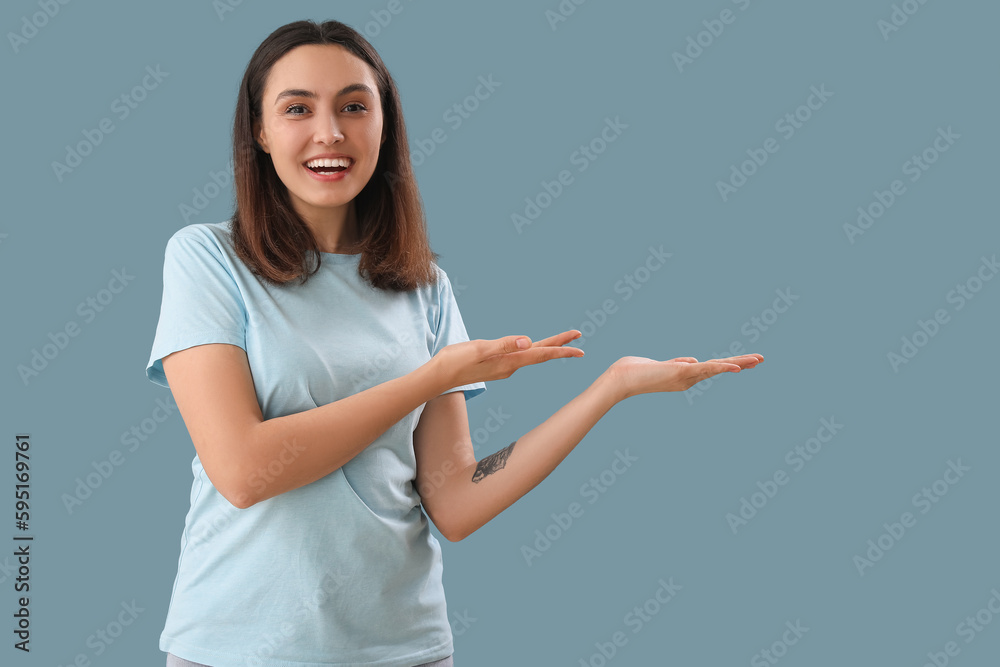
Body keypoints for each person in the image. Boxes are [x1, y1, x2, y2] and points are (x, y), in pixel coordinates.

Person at [144, 18, 763, 667]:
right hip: (233, 650)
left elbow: (458, 500)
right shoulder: (208, 259)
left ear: (385, 127)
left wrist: (609, 388)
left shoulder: (423, 286)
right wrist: (426, 379)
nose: (330, 132)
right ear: (261, 131)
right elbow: (243, 470)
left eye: (355, 106)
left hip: (404, 650)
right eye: (298, 108)